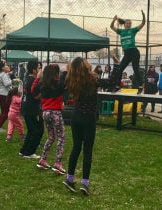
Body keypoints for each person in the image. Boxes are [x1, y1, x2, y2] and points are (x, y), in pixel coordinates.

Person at [63, 57, 98, 196]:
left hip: (76, 117)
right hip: (88, 118)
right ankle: (84, 183)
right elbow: (112, 81)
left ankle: (70, 178)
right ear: (85, 66)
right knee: (87, 150)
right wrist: (118, 65)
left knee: (76, 147)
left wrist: (68, 70)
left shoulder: (71, 80)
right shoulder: (93, 79)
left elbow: (63, 82)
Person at [32, 64, 67, 175]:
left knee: (51, 137)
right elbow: (65, 85)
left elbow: (33, 91)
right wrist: (66, 72)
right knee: (61, 137)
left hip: (45, 113)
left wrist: (37, 77)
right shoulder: (58, 84)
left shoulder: (43, 85)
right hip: (55, 112)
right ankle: (58, 163)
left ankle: (43, 159)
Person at [110, 10, 146, 93]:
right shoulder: (121, 31)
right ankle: (117, 86)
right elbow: (111, 27)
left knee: (135, 68)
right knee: (120, 69)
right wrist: (114, 20)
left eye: (130, 24)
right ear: (124, 24)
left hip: (134, 52)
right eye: (127, 23)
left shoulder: (133, 30)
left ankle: (141, 85)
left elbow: (143, 24)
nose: (129, 24)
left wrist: (143, 16)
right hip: (126, 54)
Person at [19, 61, 44, 159]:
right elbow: (36, 96)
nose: (40, 70)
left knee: (31, 130)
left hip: (27, 107)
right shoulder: (32, 80)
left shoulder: (27, 79)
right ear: (34, 70)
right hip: (31, 108)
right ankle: (29, 152)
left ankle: (24, 150)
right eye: (39, 68)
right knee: (37, 130)